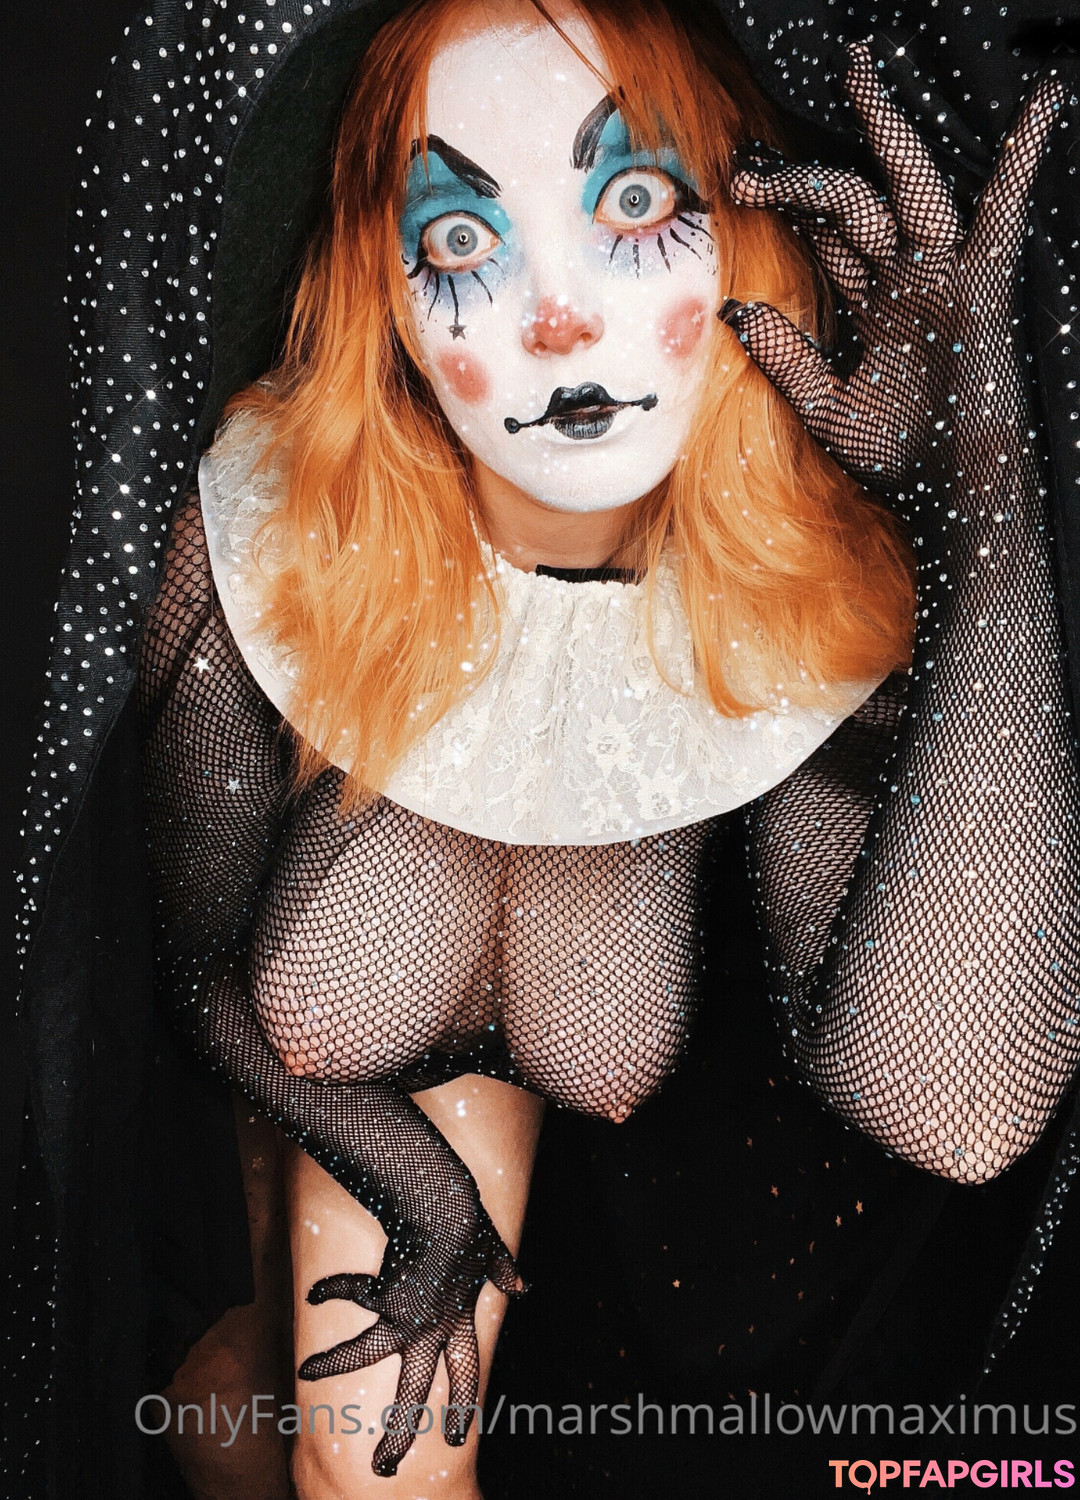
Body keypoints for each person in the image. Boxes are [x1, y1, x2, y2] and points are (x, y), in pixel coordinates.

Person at [11, 2, 1080, 1499]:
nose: (558, 318)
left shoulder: (815, 577)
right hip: (355, 1151)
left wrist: (983, 478)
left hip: (721, 1358)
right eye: (461, 239)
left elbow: (958, 1106)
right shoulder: (281, 535)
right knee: (301, 1440)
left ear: (747, 223)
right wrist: (413, 1182)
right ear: (383, 294)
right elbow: (200, 967)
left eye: (631, 201)